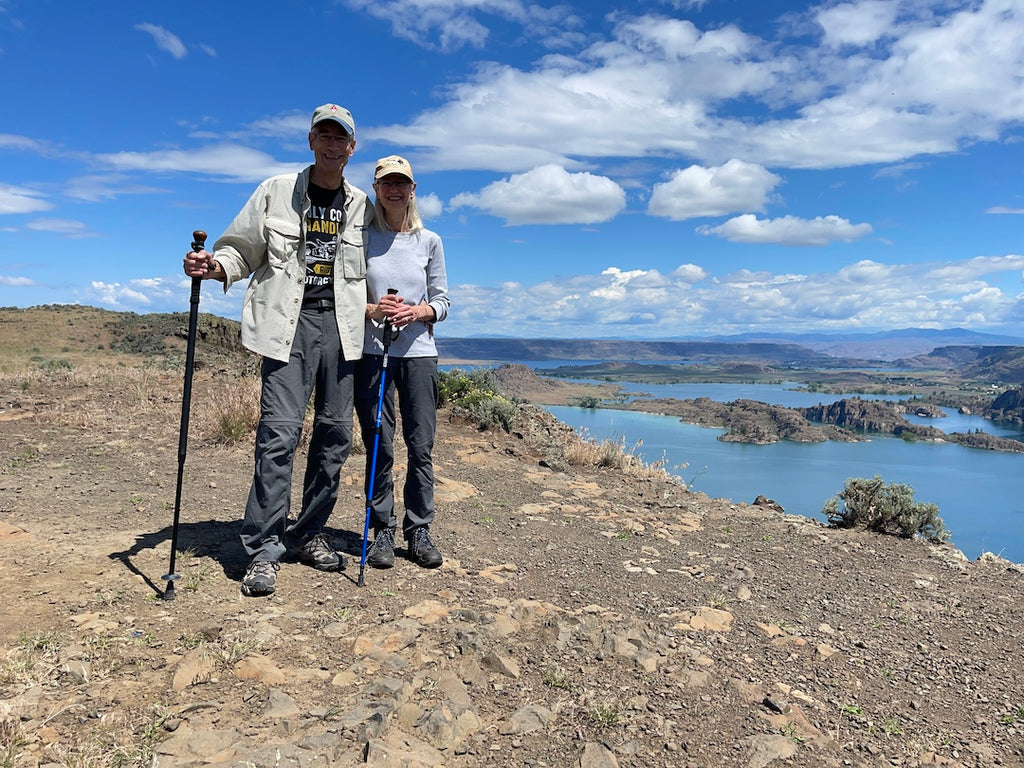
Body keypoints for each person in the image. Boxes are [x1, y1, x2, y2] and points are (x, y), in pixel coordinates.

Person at [183, 103, 372, 596]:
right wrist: (214, 266)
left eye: (341, 139)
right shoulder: (275, 192)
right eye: (323, 136)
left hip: (344, 331)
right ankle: (263, 551)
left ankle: (307, 533)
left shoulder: (360, 206)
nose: (332, 145)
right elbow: (241, 248)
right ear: (311, 141)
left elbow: (387, 258)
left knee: (334, 439)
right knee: (279, 436)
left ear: (352, 148)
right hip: (287, 327)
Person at [356, 155, 450, 569]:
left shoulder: (429, 241)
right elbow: (346, 298)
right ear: (376, 190)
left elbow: (443, 302)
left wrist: (419, 312)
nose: (394, 190)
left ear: (412, 190)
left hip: (418, 355)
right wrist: (375, 309)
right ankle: (382, 530)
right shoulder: (360, 239)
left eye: (401, 183)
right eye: (386, 183)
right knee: (379, 443)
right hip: (374, 351)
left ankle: (418, 529)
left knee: (420, 444)